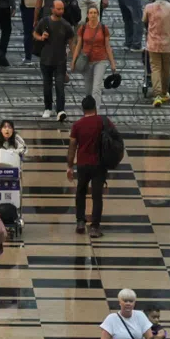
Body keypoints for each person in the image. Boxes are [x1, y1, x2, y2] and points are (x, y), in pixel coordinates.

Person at [66, 95, 111, 237]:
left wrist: (69, 166)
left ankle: (80, 222)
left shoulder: (77, 125)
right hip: (99, 164)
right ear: (95, 107)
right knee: (97, 196)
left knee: (80, 192)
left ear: (83, 109)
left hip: (82, 164)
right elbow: (114, 137)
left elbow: (72, 146)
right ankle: (94, 227)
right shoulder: (103, 121)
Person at [34, 0, 75, 121]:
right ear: (52, 9)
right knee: (47, 85)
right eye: (58, 8)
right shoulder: (44, 21)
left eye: (62, 8)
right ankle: (48, 108)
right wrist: (41, 37)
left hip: (60, 61)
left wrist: (74, 58)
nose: (61, 11)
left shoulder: (66, 25)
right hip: (46, 59)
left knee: (59, 86)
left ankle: (60, 110)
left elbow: (71, 42)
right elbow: (35, 33)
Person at [143, 0, 170, 108]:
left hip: (153, 43)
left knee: (155, 68)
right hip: (168, 43)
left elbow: (145, 23)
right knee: (167, 69)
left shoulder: (149, 7)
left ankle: (157, 94)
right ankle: (165, 92)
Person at [70, 5, 117, 108]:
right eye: (91, 13)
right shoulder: (83, 28)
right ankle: (89, 110)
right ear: (87, 15)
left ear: (98, 15)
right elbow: (78, 45)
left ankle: (96, 112)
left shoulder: (104, 29)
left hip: (100, 60)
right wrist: (73, 61)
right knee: (88, 89)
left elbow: (108, 47)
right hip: (87, 60)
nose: (93, 15)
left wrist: (112, 63)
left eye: (95, 13)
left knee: (96, 88)